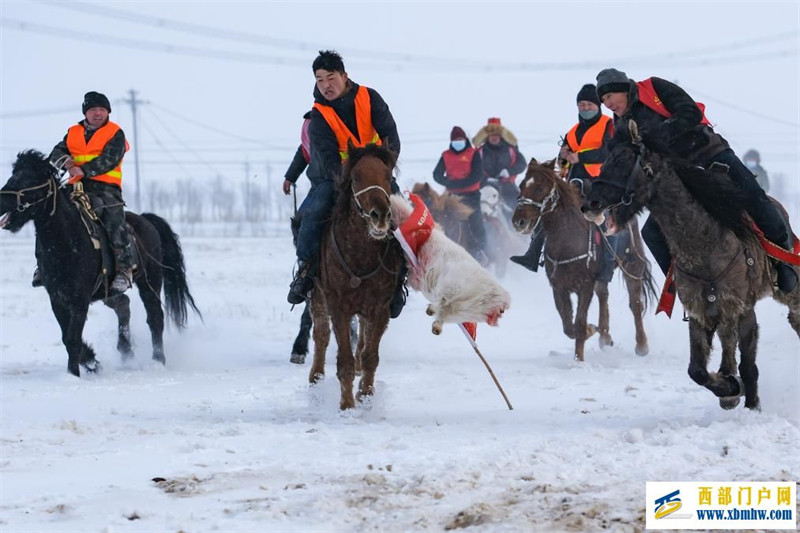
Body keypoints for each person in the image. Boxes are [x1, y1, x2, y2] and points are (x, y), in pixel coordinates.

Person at [595, 68, 797, 294]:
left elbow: (689, 111)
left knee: (752, 193)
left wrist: (658, 136)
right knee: (651, 232)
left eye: (609, 96)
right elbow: (622, 164)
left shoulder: (653, 88)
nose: (607, 103)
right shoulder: (621, 125)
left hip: (709, 153)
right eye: (603, 100)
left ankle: (782, 259)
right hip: (678, 175)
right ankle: (685, 289)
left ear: (621, 88)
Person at [287, 50, 407, 317]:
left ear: (344, 76)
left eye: (331, 78)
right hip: (339, 180)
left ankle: (402, 276)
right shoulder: (318, 117)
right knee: (313, 212)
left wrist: (382, 169)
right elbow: (328, 159)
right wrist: (350, 178)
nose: (326, 85)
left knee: (404, 215)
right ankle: (306, 269)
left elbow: (392, 138)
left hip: (377, 177)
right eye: (320, 80)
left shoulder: (370, 98)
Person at [511, 84, 616, 273]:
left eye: (589, 104)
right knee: (548, 208)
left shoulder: (609, 125)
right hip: (574, 184)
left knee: (606, 218)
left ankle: (608, 262)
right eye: (581, 105)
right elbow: (564, 165)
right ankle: (533, 255)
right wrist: (562, 157)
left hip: (602, 181)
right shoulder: (572, 131)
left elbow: (612, 151)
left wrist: (582, 157)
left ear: (598, 106)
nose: (585, 108)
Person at [44, 91, 134, 293]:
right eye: (93, 109)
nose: (98, 113)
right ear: (86, 112)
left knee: (114, 221)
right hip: (75, 186)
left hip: (105, 188)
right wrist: (65, 161)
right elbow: (55, 153)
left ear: (108, 112)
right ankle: (44, 265)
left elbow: (110, 159)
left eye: (102, 109)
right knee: (50, 213)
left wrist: (83, 170)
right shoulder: (73, 132)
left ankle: (123, 269)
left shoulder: (115, 133)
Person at [432, 126, 488, 263]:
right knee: (437, 217)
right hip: (450, 197)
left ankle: (481, 250)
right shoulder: (446, 155)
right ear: (451, 141)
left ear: (465, 140)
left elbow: (478, 174)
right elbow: (436, 174)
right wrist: (447, 182)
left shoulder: (473, 153)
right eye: (455, 140)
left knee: (476, 219)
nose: (458, 141)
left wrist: (460, 184)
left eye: (460, 139)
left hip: (471, 195)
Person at [472, 117, 526, 211]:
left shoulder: (511, 149)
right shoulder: (479, 151)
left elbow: (522, 164)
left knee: (519, 207)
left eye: (496, 134)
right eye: (491, 134)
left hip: (507, 186)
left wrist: (508, 172)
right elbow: (473, 168)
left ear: (501, 136)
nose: (494, 137)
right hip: (484, 186)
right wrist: (484, 178)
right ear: (487, 136)